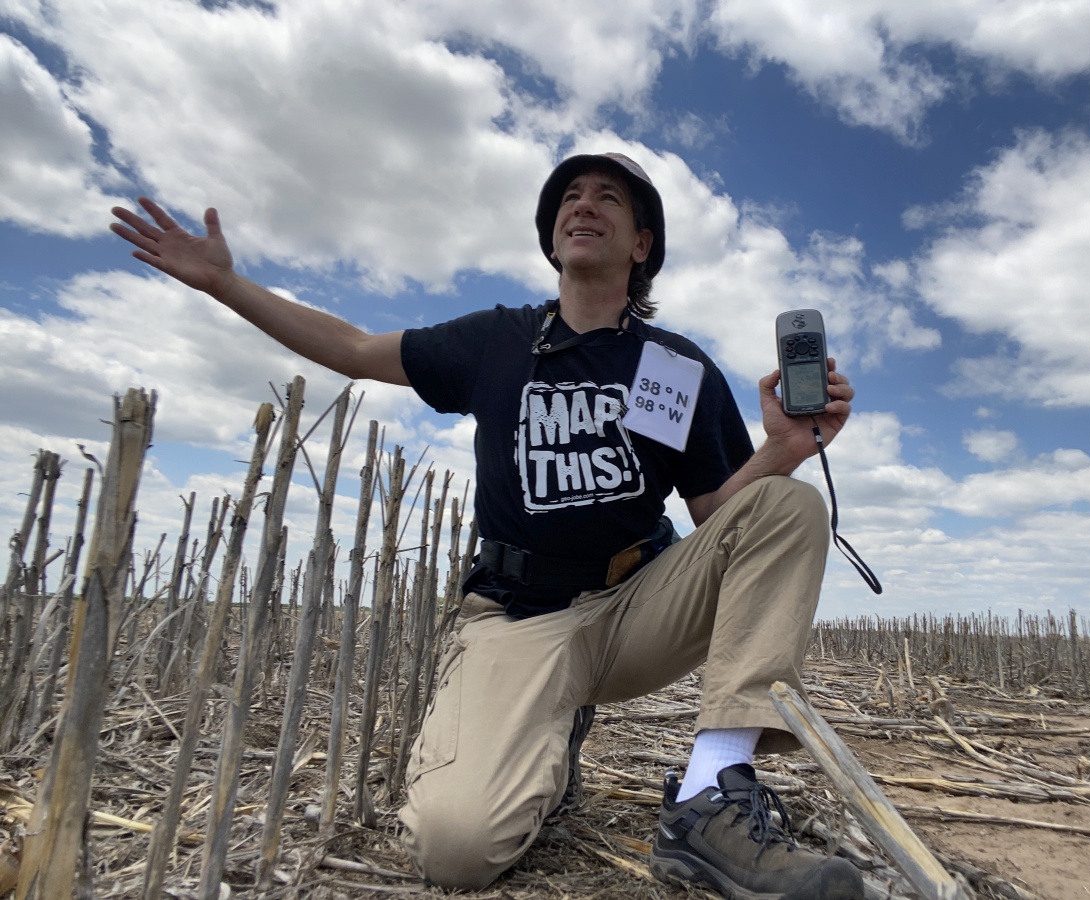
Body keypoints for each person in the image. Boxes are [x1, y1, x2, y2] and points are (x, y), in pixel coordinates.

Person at [111, 152, 865, 900]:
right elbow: (351, 350)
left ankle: (711, 795)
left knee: (789, 505)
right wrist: (226, 283)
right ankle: (543, 740)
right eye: (570, 196)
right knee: (455, 851)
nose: (584, 206)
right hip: (518, 618)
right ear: (551, 237)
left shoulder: (674, 368)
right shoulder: (497, 342)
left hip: (636, 606)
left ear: (642, 245)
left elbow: (717, 519)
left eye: (609, 198)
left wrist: (784, 450)